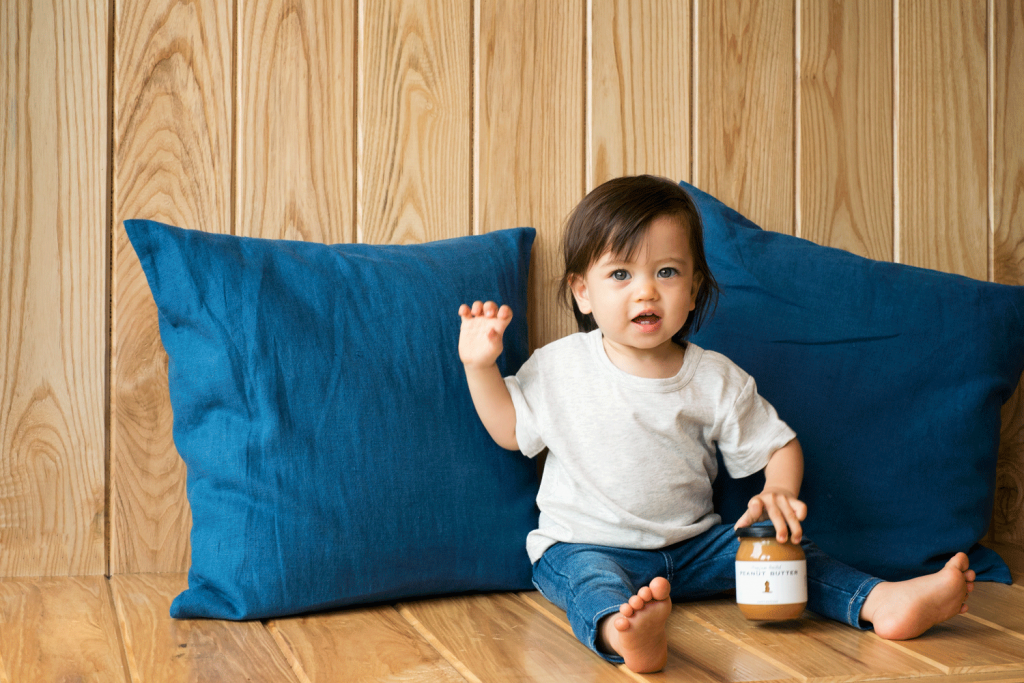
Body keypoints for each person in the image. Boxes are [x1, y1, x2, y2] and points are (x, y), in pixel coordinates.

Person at [457, 175, 975, 673]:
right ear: (582, 292)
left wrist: (779, 490)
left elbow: (780, 444)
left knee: (781, 550)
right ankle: (625, 631)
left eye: (666, 273)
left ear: (694, 287)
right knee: (588, 583)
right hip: (584, 543)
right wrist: (480, 367)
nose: (646, 293)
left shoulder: (714, 378)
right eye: (620, 274)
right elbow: (509, 430)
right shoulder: (560, 365)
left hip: (693, 551)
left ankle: (878, 601)